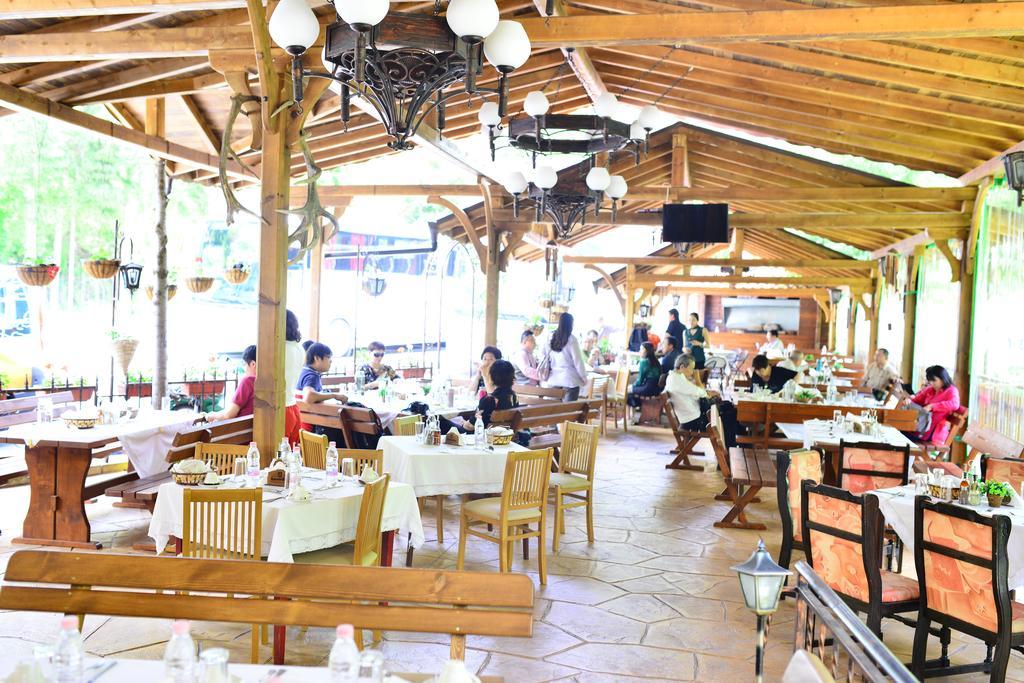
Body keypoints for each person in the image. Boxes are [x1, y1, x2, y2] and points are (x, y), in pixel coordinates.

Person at [904, 365, 960, 444]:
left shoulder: (951, 390)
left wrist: (932, 406)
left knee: (900, 435)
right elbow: (917, 400)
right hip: (919, 426)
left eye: (934, 380)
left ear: (943, 378)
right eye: (930, 381)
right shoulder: (930, 389)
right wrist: (909, 400)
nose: (931, 383)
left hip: (931, 432)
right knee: (897, 430)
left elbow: (955, 404)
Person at [202, 345, 256, 421]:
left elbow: (229, 415)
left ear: (253, 364)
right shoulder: (269, 383)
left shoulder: (248, 381)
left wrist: (211, 415)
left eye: (245, 364)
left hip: (239, 430)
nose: (244, 369)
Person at [543, 312, 589, 400]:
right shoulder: (572, 340)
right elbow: (577, 361)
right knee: (568, 412)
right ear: (570, 324)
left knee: (553, 411)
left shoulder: (550, 337)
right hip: (569, 380)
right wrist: (583, 377)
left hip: (553, 379)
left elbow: (543, 355)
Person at [284, 310, 305, 445]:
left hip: (282, 410)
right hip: (293, 408)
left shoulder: (280, 348)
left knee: (277, 460)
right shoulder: (299, 348)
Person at [477, 359, 519, 426]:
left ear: (491, 377)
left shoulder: (488, 399)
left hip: (489, 435)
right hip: (508, 434)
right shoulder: (514, 397)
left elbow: (471, 425)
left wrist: (463, 423)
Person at [628, 342, 661, 409]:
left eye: (641, 349)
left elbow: (640, 380)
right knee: (631, 390)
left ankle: (639, 406)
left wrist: (632, 386)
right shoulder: (655, 361)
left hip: (648, 389)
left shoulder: (644, 361)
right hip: (657, 389)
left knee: (627, 390)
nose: (639, 351)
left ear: (647, 351)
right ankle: (639, 406)